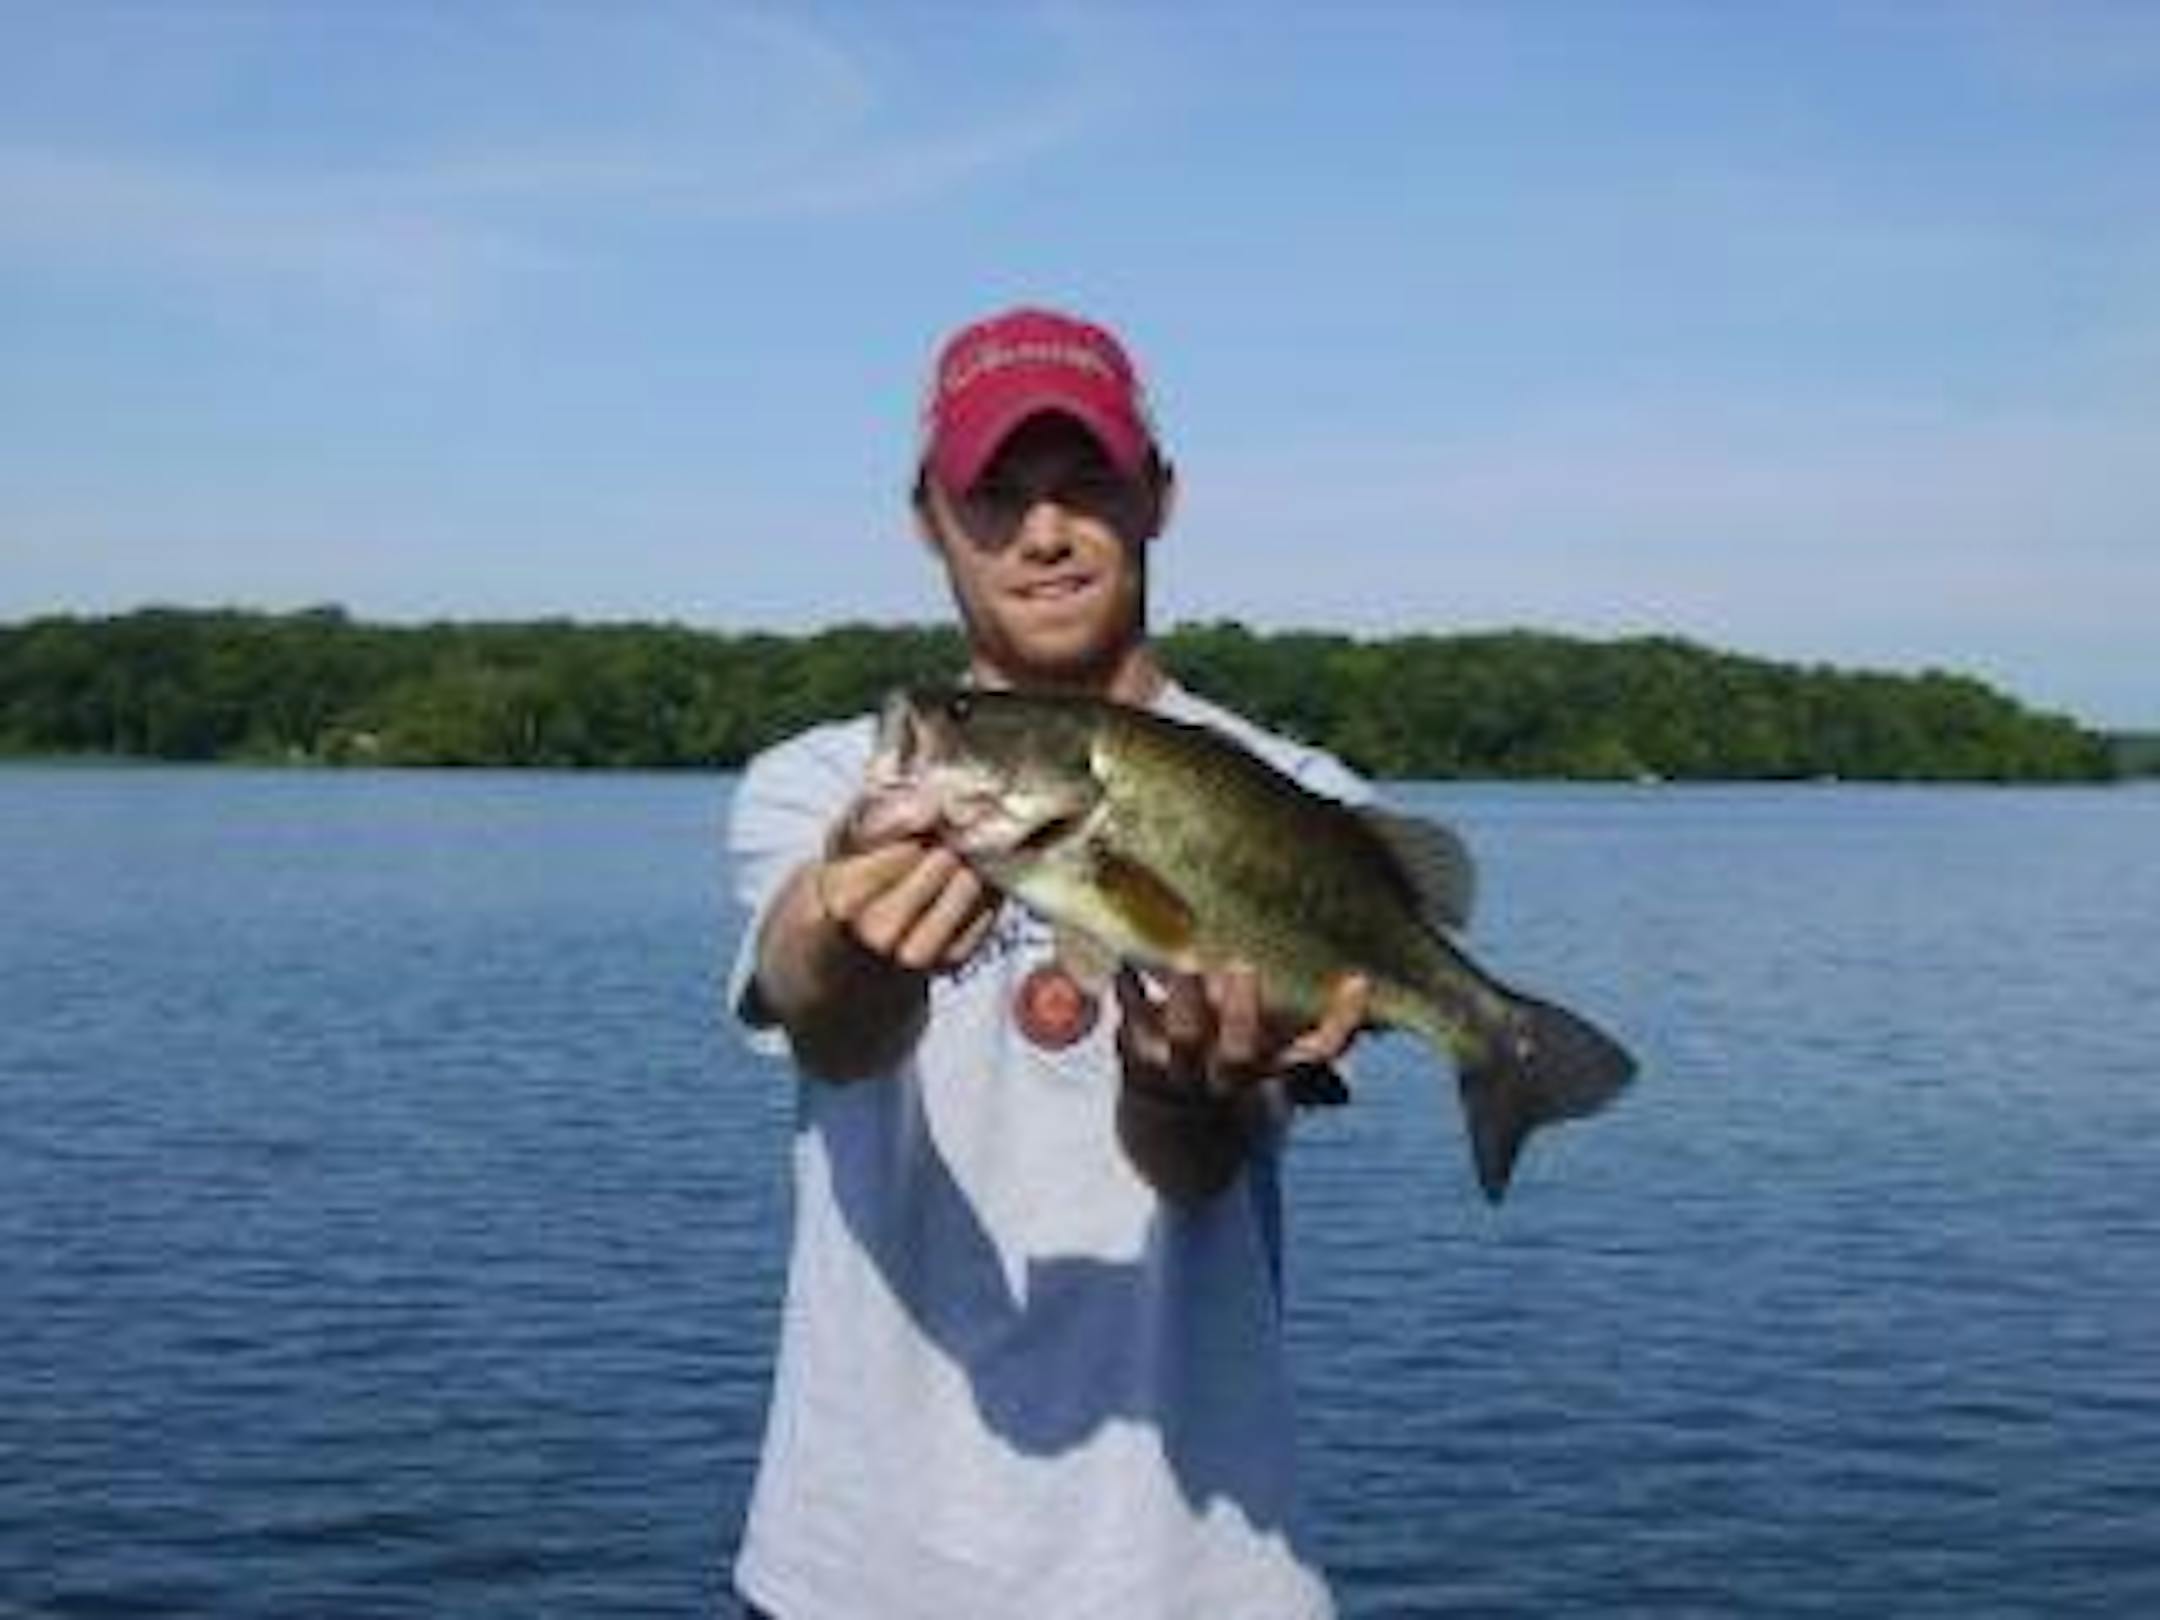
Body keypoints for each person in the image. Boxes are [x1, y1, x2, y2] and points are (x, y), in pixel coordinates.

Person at [724, 307, 1372, 1619]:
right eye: (995, 495)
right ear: (928, 519)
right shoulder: (822, 783)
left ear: (1158, 498)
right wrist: (848, 939)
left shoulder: (1300, 799)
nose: (1043, 531)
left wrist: (1185, 1088)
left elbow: (1198, 1167)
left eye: (1085, 485)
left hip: (1199, 1579)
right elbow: (829, 1025)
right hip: (856, 1574)